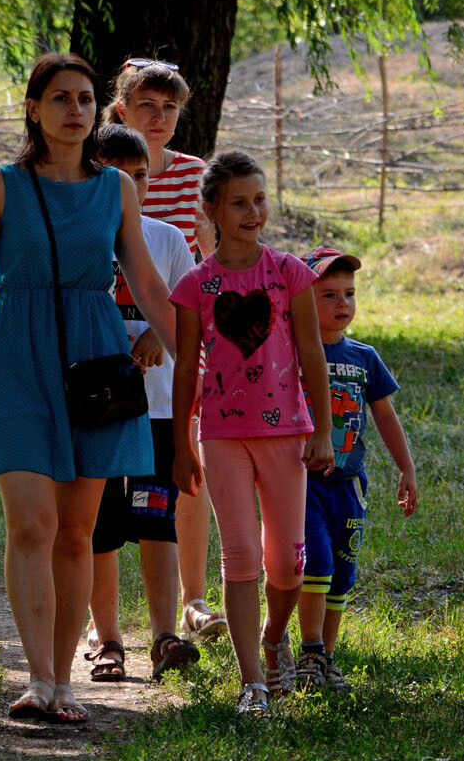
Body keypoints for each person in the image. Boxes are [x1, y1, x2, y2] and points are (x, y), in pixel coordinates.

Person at [0, 52, 177, 723]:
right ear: (33, 108)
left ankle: (63, 683)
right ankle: (35, 678)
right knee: (32, 522)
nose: (75, 109)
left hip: (96, 361)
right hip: (18, 360)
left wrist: (178, 343)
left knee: (78, 531)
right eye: (60, 98)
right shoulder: (0, 186)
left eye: (86, 99)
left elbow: (146, 281)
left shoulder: (117, 188)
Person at [167, 150, 335, 717]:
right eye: (239, 202)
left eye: (259, 199)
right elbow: (186, 367)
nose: (253, 211)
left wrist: (323, 431)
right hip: (219, 436)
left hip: (288, 432)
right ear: (211, 208)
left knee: (287, 563)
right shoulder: (196, 284)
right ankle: (252, 683)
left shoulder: (291, 273)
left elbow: (313, 353)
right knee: (240, 557)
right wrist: (181, 444)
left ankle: (273, 636)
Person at [110, 58, 226, 641]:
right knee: (106, 489)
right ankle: (101, 622)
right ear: (122, 108)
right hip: (110, 344)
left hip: (178, 337)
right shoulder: (100, 169)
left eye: (170, 108)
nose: (159, 118)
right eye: (147, 106)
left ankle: (194, 598)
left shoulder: (193, 175)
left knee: (185, 464)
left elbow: (208, 262)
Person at [83, 125, 199, 683]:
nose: (134, 186)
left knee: (158, 522)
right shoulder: (81, 239)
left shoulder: (168, 239)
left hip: (156, 411)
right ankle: (107, 639)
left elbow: (184, 315)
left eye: (142, 175)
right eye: (120, 175)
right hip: (100, 411)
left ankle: (163, 635)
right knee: (100, 528)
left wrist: (159, 331)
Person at [294, 246, 418, 692]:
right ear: (302, 300)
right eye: (328, 295)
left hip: (350, 485)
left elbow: (385, 417)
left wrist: (406, 468)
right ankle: (308, 651)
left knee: (343, 574)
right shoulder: (291, 353)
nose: (342, 303)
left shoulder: (364, 357)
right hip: (303, 481)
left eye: (348, 293)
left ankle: (326, 658)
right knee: (318, 564)